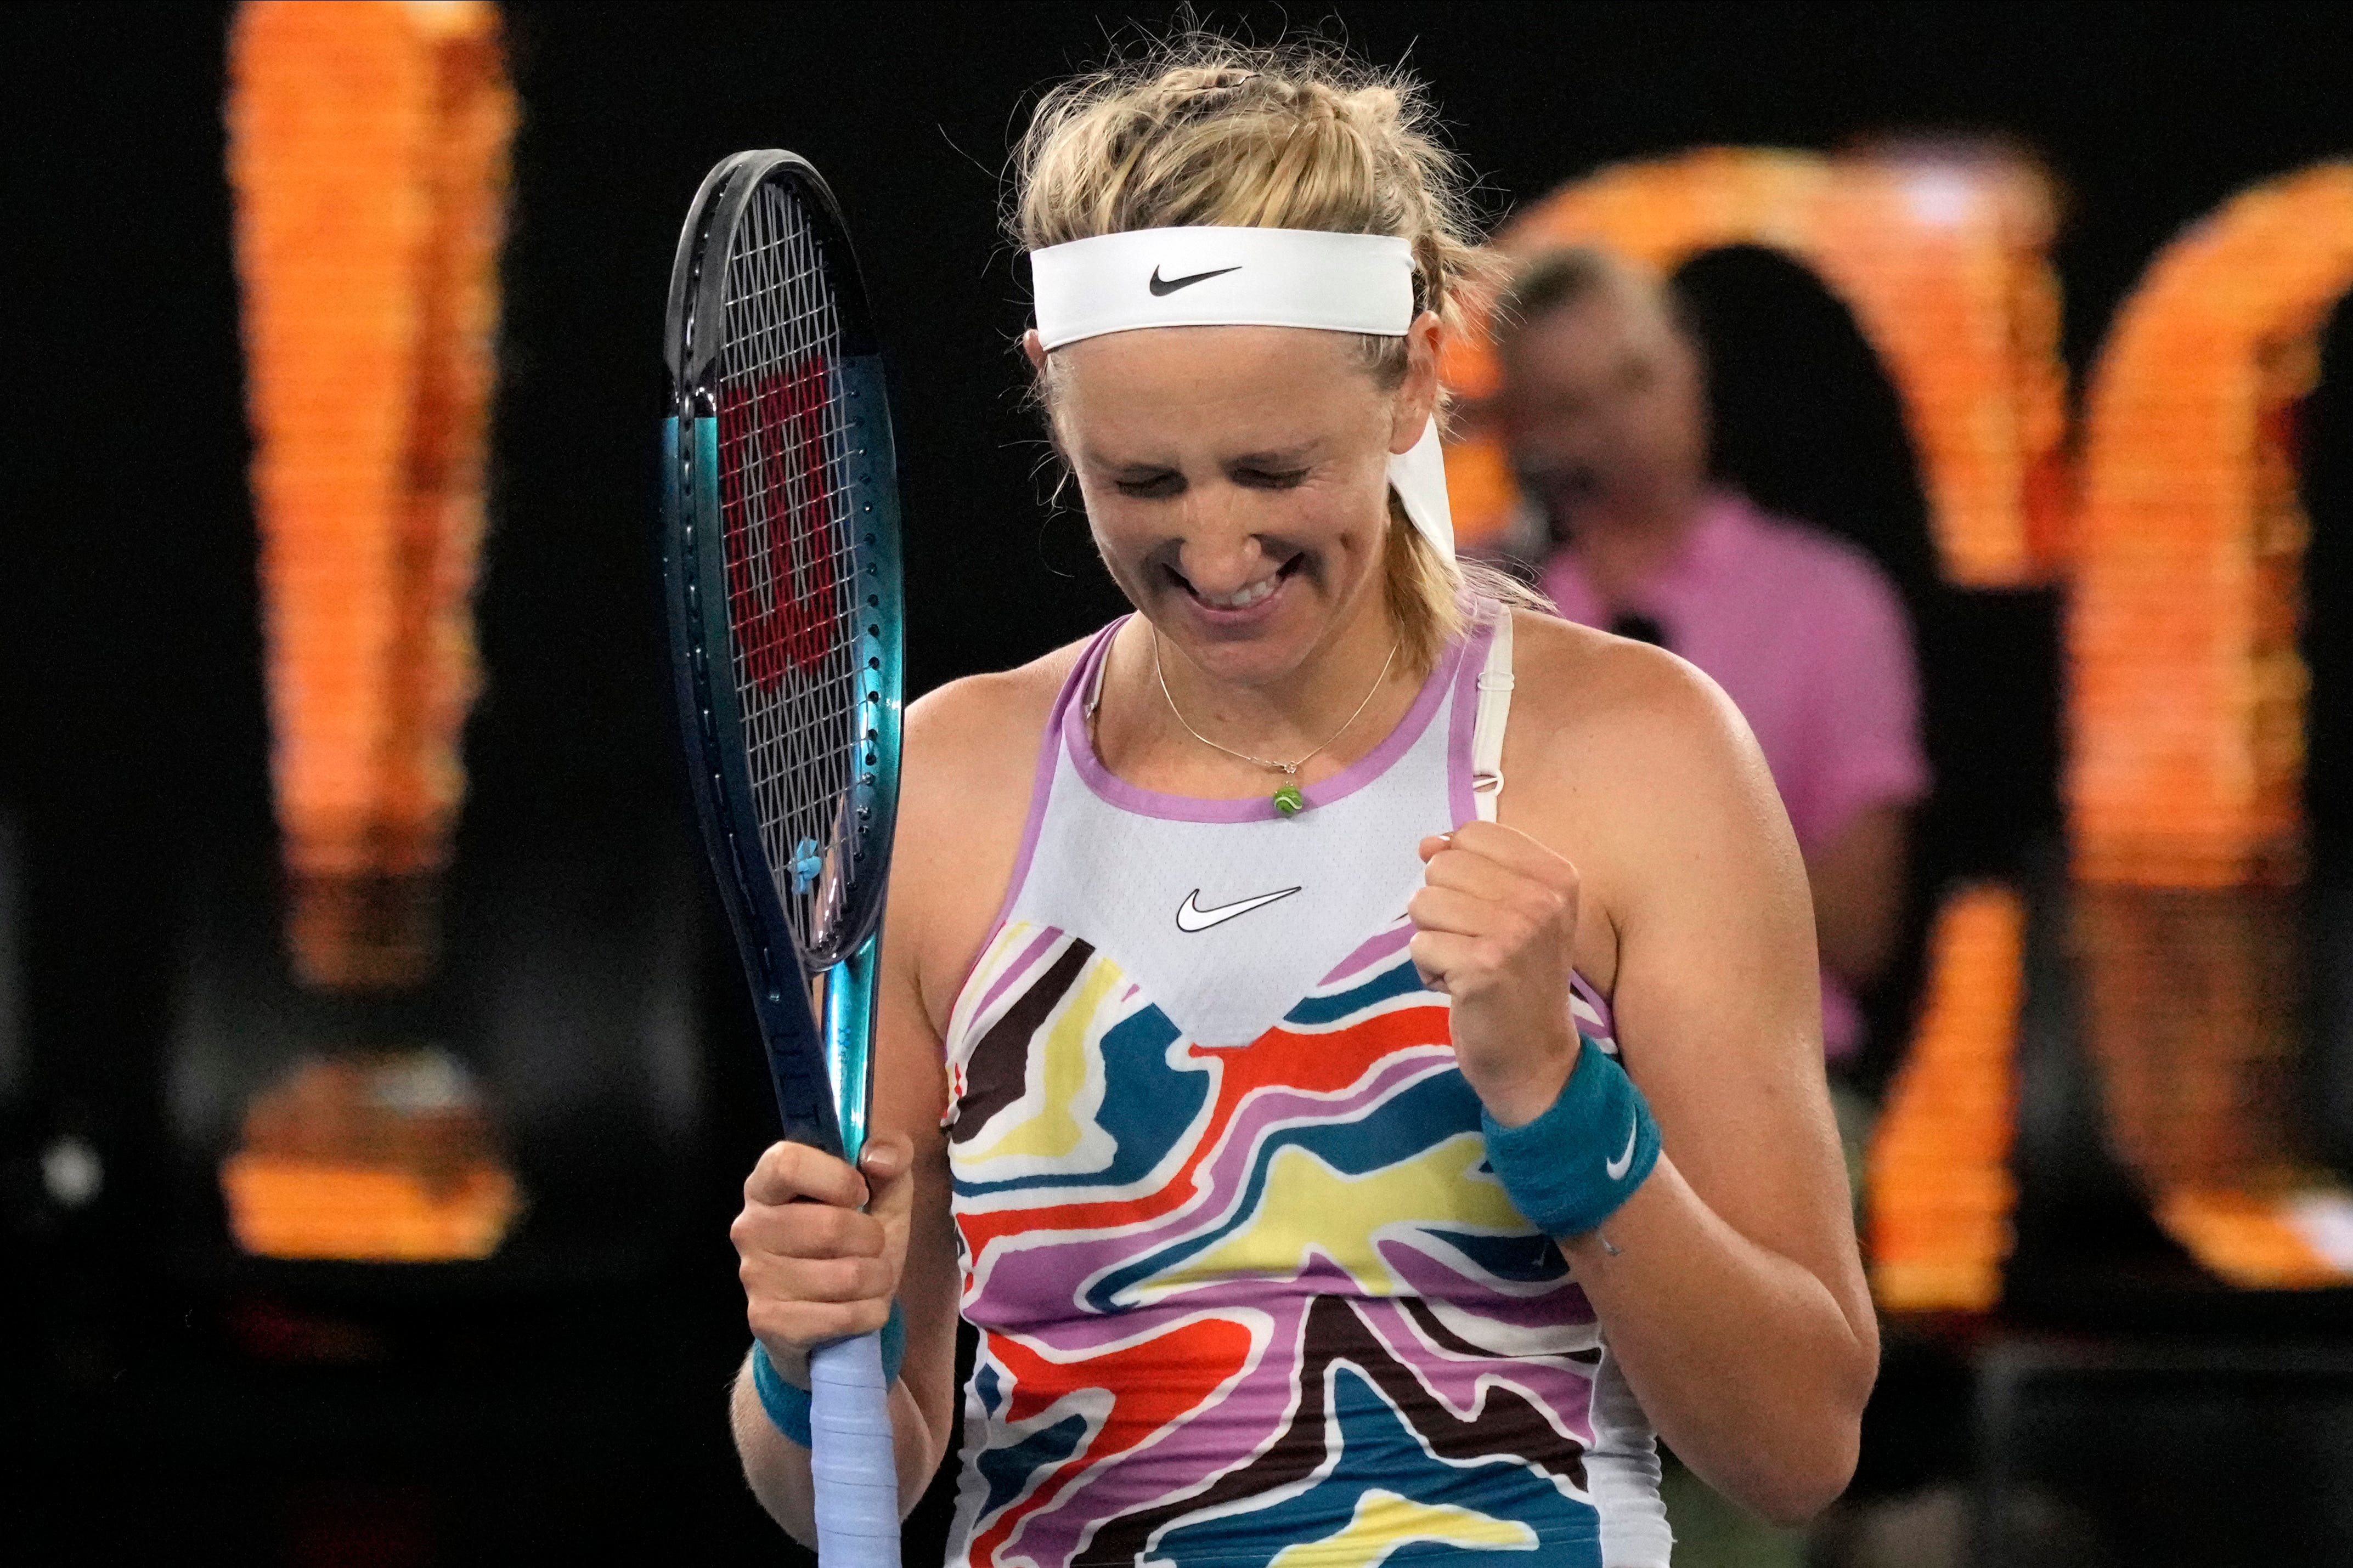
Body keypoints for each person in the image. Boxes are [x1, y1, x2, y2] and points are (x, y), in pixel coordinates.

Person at [727, 41, 1875, 1568]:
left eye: (1272, 470)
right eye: (1144, 483)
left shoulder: (1642, 754)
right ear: (1045, 391)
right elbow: (848, 1485)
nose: (1214, 550)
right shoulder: (945, 783)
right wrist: (807, 1355)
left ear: (1411, 377)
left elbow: (1796, 1445)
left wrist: (1558, 1102)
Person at [1486, 248, 1930, 1064]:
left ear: (1692, 364)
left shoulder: (1830, 602)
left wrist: (1645, 874)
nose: (1622, 426)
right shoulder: (1483, 607)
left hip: (1773, 1068)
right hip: (1521, 1071)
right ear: (1525, 433)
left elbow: (1861, 926)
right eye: (1574, 405)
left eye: (1637, 378)